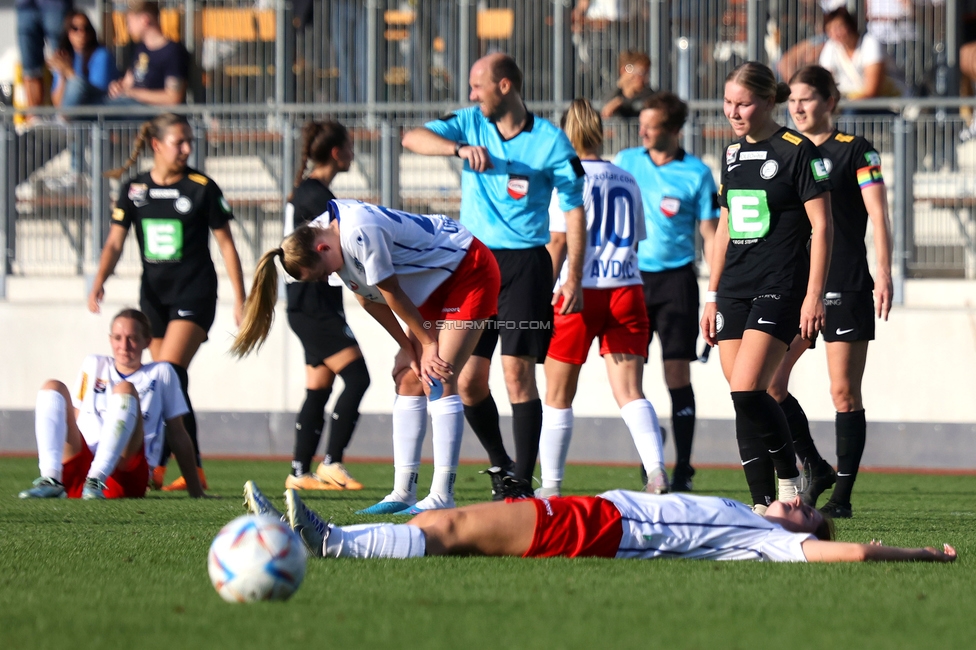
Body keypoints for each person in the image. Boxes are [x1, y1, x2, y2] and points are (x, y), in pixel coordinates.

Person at [233, 199, 501, 513]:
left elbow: (390, 292)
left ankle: (442, 496)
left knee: (437, 376)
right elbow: (367, 300)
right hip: (433, 284)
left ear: (322, 249)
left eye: (319, 275)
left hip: (467, 269)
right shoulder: (325, 235)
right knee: (406, 378)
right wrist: (407, 346)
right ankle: (403, 492)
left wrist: (427, 346)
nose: (323, 281)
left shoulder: (357, 231)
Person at [402, 53, 587, 499]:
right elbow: (411, 137)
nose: (471, 94)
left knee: (517, 374)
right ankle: (501, 463)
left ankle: (522, 483)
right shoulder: (469, 123)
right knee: (465, 380)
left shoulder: (550, 142)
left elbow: (574, 208)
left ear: (504, 86)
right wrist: (457, 149)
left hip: (525, 266)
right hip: (473, 265)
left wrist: (575, 275)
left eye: (477, 85)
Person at [700, 62, 833, 515]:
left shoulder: (798, 151)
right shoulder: (731, 154)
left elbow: (823, 225)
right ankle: (760, 507)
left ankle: (792, 482)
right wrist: (711, 293)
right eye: (728, 102)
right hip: (734, 285)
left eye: (743, 103)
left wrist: (814, 294)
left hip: (780, 284)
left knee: (748, 389)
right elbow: (724, 227)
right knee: (743, 400)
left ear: (768, 101)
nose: (733, 112)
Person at [88, 113, 246, 491]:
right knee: (163, 379)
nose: (188, 149)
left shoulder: (201, 187)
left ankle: (159, 463)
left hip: (195, 294)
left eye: (189, 141)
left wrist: (242, 297)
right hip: (153, 300)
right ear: (157, 145)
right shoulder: (134, 189)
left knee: (168, 372)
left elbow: (226, 244)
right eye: (180, 142)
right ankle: (175, 465)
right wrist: (99, 280)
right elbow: (114, 241)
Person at [243, 481, 957, 564]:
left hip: (599, 532)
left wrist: (923, 554)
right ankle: (329, 538)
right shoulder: (746, 513)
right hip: (598, 514)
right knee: (453, 521)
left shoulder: (771, 542)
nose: (793, 499)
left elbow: (850, 555)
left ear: (805, 529)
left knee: (455, 534)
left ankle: (330, 543)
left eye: (806, 509)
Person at [765, 66, 892, 519]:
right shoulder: (786, 151)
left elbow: (878, 214)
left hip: (845, 282)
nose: (797, 107)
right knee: (772, 383)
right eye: (792, 100)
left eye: (807, 98)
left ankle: (841, 496)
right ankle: (815, 467)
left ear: (829, 101)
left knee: (843, 393)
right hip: (797, 286)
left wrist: (884, 270)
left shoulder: (856, 151)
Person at [538, 98, 667, 496]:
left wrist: (542, 291)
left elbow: (558, 241)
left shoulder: (567, 178)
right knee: (631, 392)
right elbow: (637, 240)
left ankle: (552, 487)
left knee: (558, 395)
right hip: (626, 289)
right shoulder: (626, 177)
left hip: (579, 293)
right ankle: (657, 471)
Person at [614, 91, 719, 492]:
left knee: (677, 374)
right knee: (629, 378)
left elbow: (711, 236)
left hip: (676, 282)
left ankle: (684, 469)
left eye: (651, 124)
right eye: (641, 122)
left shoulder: (696, 173)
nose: (642, 130)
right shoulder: (625, 162)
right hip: (631, 280)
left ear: (673, 131)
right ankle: (650, 448)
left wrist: (715, 290)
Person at [19, 309, 204, 499]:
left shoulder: (162, 372)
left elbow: (178, 432)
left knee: (125, 389)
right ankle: (51, 479)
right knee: (52, 386)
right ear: (110, 340)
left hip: (125, 473)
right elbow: (75, 416)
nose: (124, 346)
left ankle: (97, 479)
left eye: (132, 338)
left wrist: (195, 490)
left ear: (146, 341)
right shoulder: (93, 364)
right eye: (118, 337)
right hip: (80, 468)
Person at [282, 120, 370, 492]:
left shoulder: (307, 192)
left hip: (308, 304)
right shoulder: (316, 197)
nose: (353, 152)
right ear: (336, 152)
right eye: (349, 146)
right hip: (313, 304)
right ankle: (332, 462)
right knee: (357, 377)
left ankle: (300, 472)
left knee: (319, 387)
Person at [91, 0, 188, 108]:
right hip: (129, 106)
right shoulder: (141, 49)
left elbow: (173, 98)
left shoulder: (173, 51)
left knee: (92, 107)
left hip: (150, 111)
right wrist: (119, 87)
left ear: (144, 20)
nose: (128, 28)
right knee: (85, 94)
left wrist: (133, 93)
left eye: (130, 22)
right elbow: (129, 81)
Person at [818, 7, 903, 104]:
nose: (836, 33)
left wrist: (845, 104)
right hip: (848, 103)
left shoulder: (870, 43)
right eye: (830, 29)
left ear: (850, 25)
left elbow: (872, 91)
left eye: (839, 27)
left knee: (850, 114)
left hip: (887, 103)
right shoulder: (831, 47)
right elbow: (825, 82)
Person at [49, 9, 119, 110]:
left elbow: (95, 95)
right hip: (72, 119)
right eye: (75, 28)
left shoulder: (102, 55)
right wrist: (62, 76)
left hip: (98, 115)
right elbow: (58, 104)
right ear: (67, 32)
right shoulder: (66, 57)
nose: (82, 33)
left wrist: (69, 72)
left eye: (86, 28)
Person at [16, 0, 71, 115]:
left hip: (55, 5)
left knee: (61, 60)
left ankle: (65, 116)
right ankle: (34, 120)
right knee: (30, 68)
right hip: (25, 6)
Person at [600, 50, 654, 119]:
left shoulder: (649, 96)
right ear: (624, 70)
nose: (646, 78)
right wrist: (619, 86)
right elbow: (605, 107)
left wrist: (621, 102)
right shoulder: (613, 94)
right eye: (641, 72)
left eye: (647, 73)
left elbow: (642, 104)